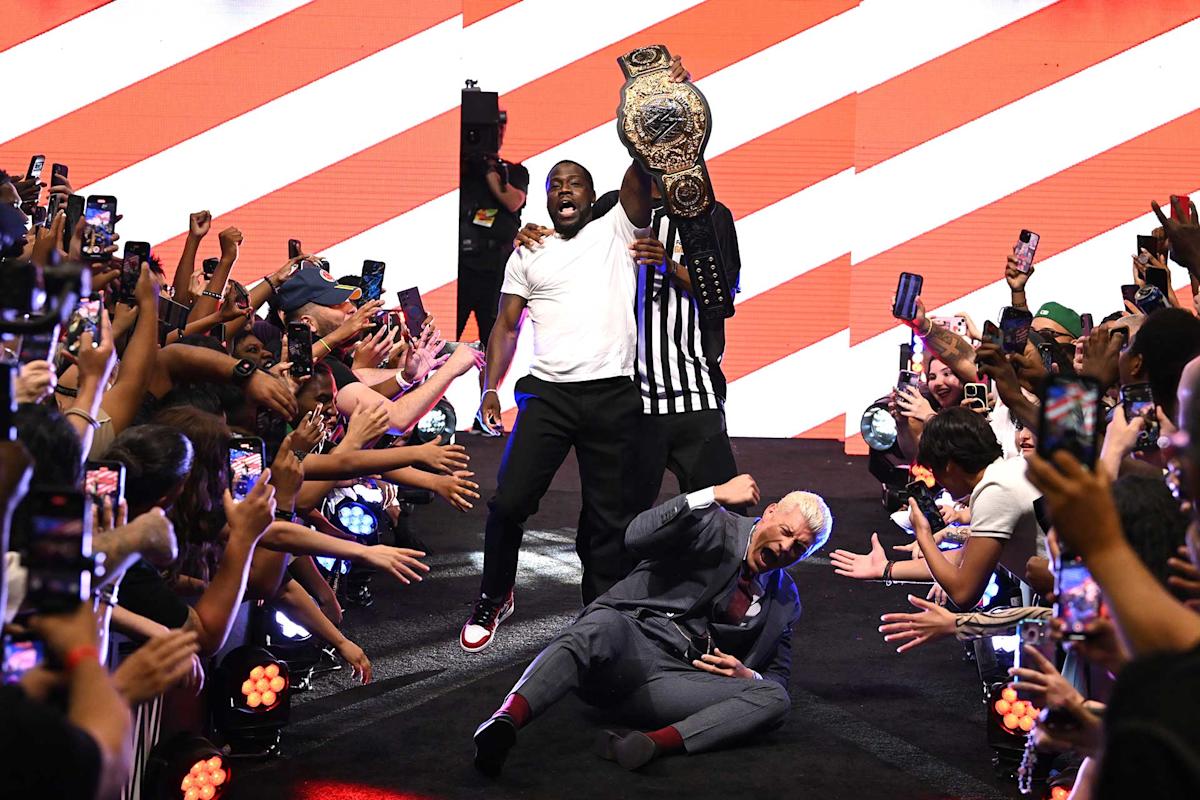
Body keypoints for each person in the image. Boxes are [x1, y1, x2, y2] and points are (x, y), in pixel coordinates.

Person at [471, 476, 832, 776]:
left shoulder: (785, 599)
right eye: (785, 531)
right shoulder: (713, 522)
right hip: (628, 642)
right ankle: (505, 720)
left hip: (676, 682)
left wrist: (746, 676)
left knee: (775, 699)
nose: (786, 546)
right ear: (769, 513)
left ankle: (651, 744)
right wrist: (710, 495)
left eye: (799, 547)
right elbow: (636, 536)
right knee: (601, 624)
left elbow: (778, 676)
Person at [519, 181, 744, 512]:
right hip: (626, 398)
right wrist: (533, 235)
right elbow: (570, 248)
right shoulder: (614, 206)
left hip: (692, 389)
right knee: (611, 520)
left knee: (724, 512)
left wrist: (671, 267)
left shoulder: (710, 213)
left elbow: (724, 294)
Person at [831, 407, 1044, 608]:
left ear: (949, 466)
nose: (938, 481)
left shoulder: (995, 491)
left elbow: (964, 593)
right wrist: (886, 569)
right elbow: (965, 559)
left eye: (935, 470)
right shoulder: (1011, 470)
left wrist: (923, 534)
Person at [458, 113, 529, 352]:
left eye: (499, 131)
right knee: (447, 334)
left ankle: (490, 387)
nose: (494, 137)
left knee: (494, 339)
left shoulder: (512, 171)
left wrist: (489, 169)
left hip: (495, 268)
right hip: (462, 269)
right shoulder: (459, 171)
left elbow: (513, 201)